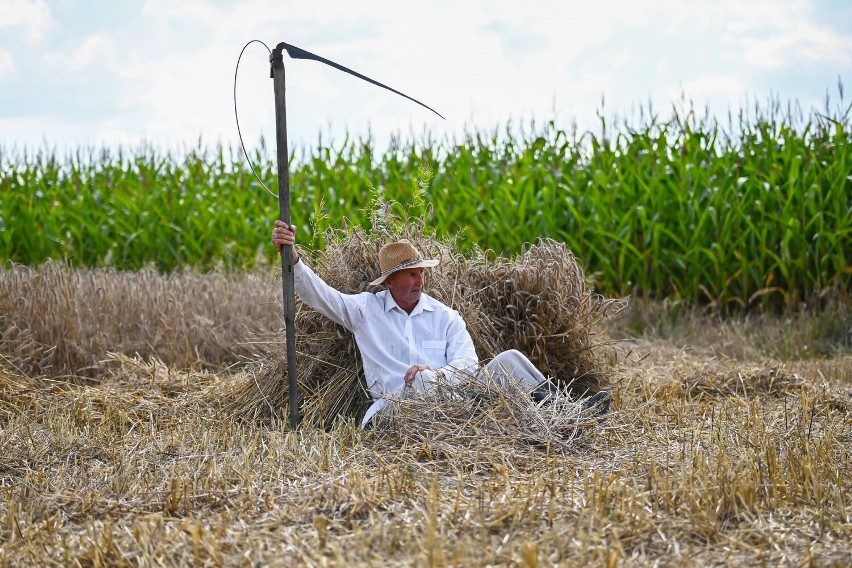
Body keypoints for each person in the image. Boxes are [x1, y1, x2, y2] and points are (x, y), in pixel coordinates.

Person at [271, 220, 610, 427]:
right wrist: (294, 256)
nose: (418, 281)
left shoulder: (446, 318)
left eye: (420, 273)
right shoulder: (365, 311)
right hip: (394, 412)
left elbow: (468, 364)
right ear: (390, 281)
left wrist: (435, 376)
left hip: (451, 403)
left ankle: (570, 414)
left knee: (510, 361)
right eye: (409, 275)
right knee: (415, 385)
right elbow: (320, 295)